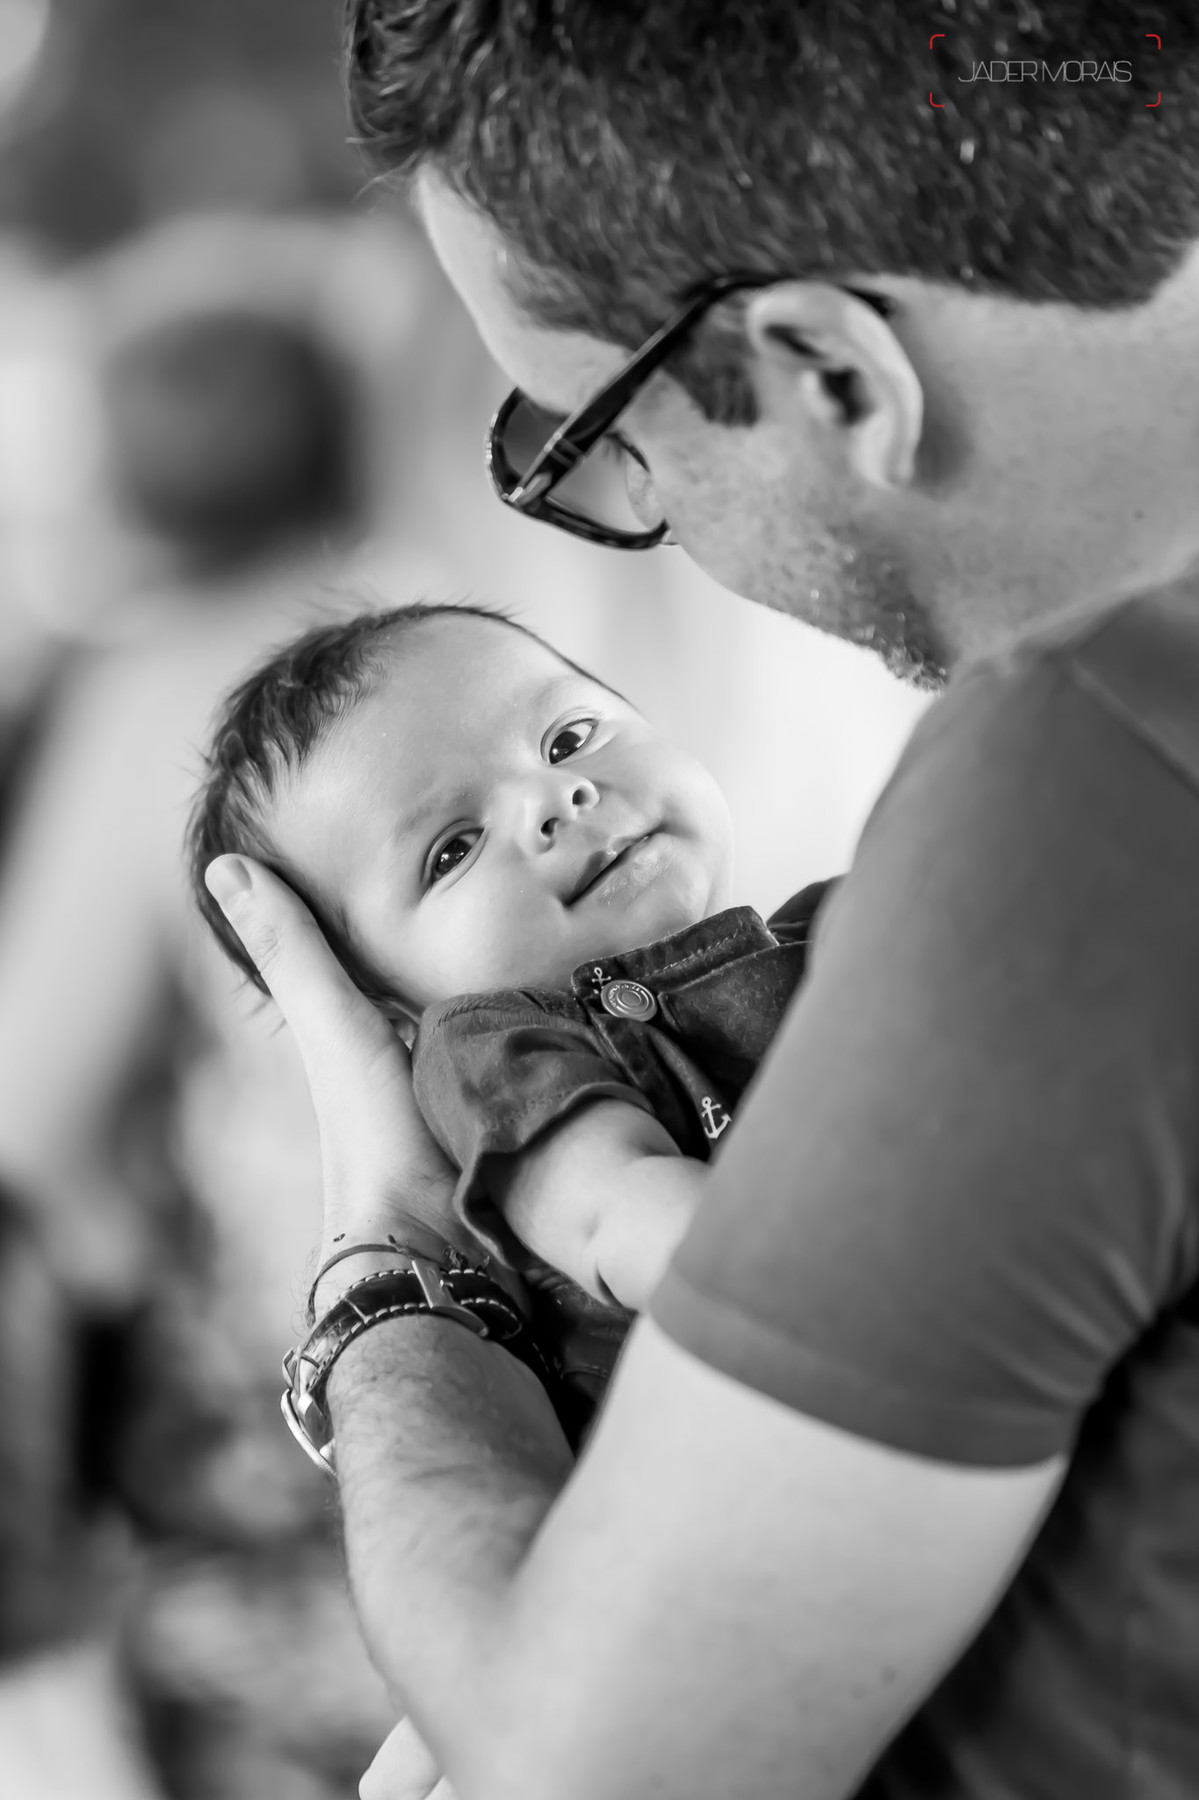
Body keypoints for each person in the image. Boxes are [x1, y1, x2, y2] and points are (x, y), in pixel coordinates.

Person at [202, 6, 1199, 1798]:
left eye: (594, 441)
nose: (634, 511)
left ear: (826, 369)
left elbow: (588, 1772)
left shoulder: (1089, 787)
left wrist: (386, 1276)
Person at [188, 599, 832, 1438]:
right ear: (390, 1004)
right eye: (452, 849)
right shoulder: (494, 1054)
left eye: (567, 739)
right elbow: (617, 1210)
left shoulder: (828, 926)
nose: (557, 796)